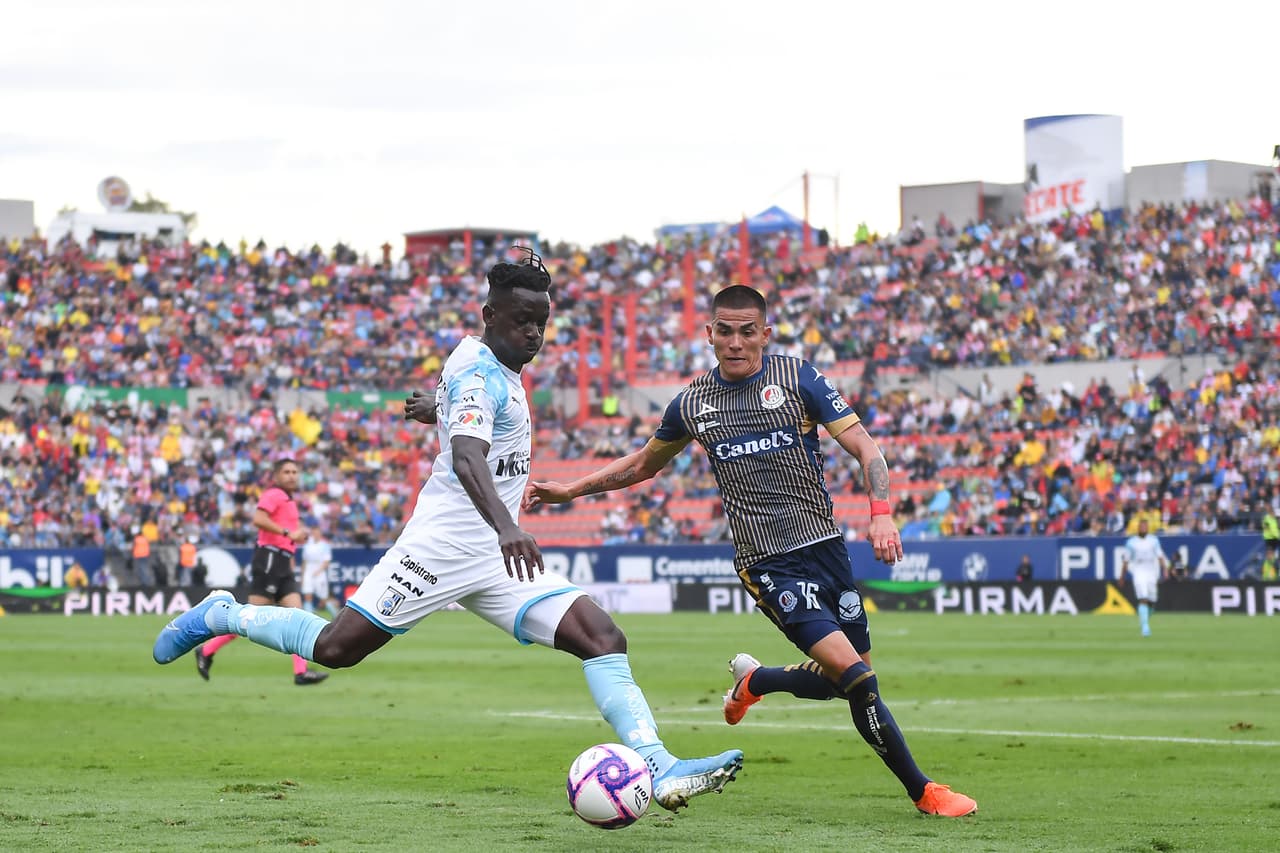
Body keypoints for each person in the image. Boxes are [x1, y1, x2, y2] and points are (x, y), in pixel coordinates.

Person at [153, 252, 743, 812]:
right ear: (490, 316)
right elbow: (466, 456)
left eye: (541, 323)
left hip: (490, 557)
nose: (533, 334)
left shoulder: (485, 367)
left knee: (601, 636)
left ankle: (657, 762)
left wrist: (434, 406)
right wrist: (509, 524)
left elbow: (463, 401)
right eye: (521, 321)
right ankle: (223, 614)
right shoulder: (481, 373)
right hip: (442, 547)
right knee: (337, 649)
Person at [524, 284, 976, 818]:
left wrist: (881, 514)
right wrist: (571, 489)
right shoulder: (693, 404)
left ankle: (755, 680)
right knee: (860, 680)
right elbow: (644, 465)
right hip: (768, 562)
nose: (735, 342)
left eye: (746, 331)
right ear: (709, 333)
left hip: (826, 550)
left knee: (841, 683)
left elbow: (864, 446)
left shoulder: (798, 378)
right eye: (725, 330)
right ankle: (923, 791)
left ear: (765, 333)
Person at [193, 458, 329, 685]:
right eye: (286, 471)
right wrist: (288, 533)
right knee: (249, 618)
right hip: (269, 560)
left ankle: (300, 672)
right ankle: (206, 651)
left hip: (283, 562)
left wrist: (291, 550)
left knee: (297, 616)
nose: (292, 475)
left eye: (295, 472)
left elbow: (287, 537)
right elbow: (258, 518)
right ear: (276, 476)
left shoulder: (288, 500)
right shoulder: (274, 494)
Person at [1118, 518, 1169, 637]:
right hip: (1139, 572)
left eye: (1145, 527)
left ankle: (1143, 618)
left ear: (1148, 528)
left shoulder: (1154, 541)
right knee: (1143, 599)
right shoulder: (1131, 543)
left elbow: (1160, 556)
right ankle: (1145, 628)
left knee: (1152, 601)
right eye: (1141, 526)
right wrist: (1122, 577)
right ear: (1138, 528)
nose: (1143, 528)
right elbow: (1126, 561)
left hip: (1152, 572)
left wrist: (1165, 570)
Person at [299, 529, 339, 616]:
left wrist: (318, 571)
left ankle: (336, 616)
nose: (315, 535)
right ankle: (308, 617)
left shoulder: (325, 546)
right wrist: (303, 576)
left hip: (320, 573)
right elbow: (304, 561)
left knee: (323, 599)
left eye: (317, 533)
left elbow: (326, 561)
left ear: (320, 534)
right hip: (308, 572)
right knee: (307, 596)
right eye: (314, 533)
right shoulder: (307, 546)